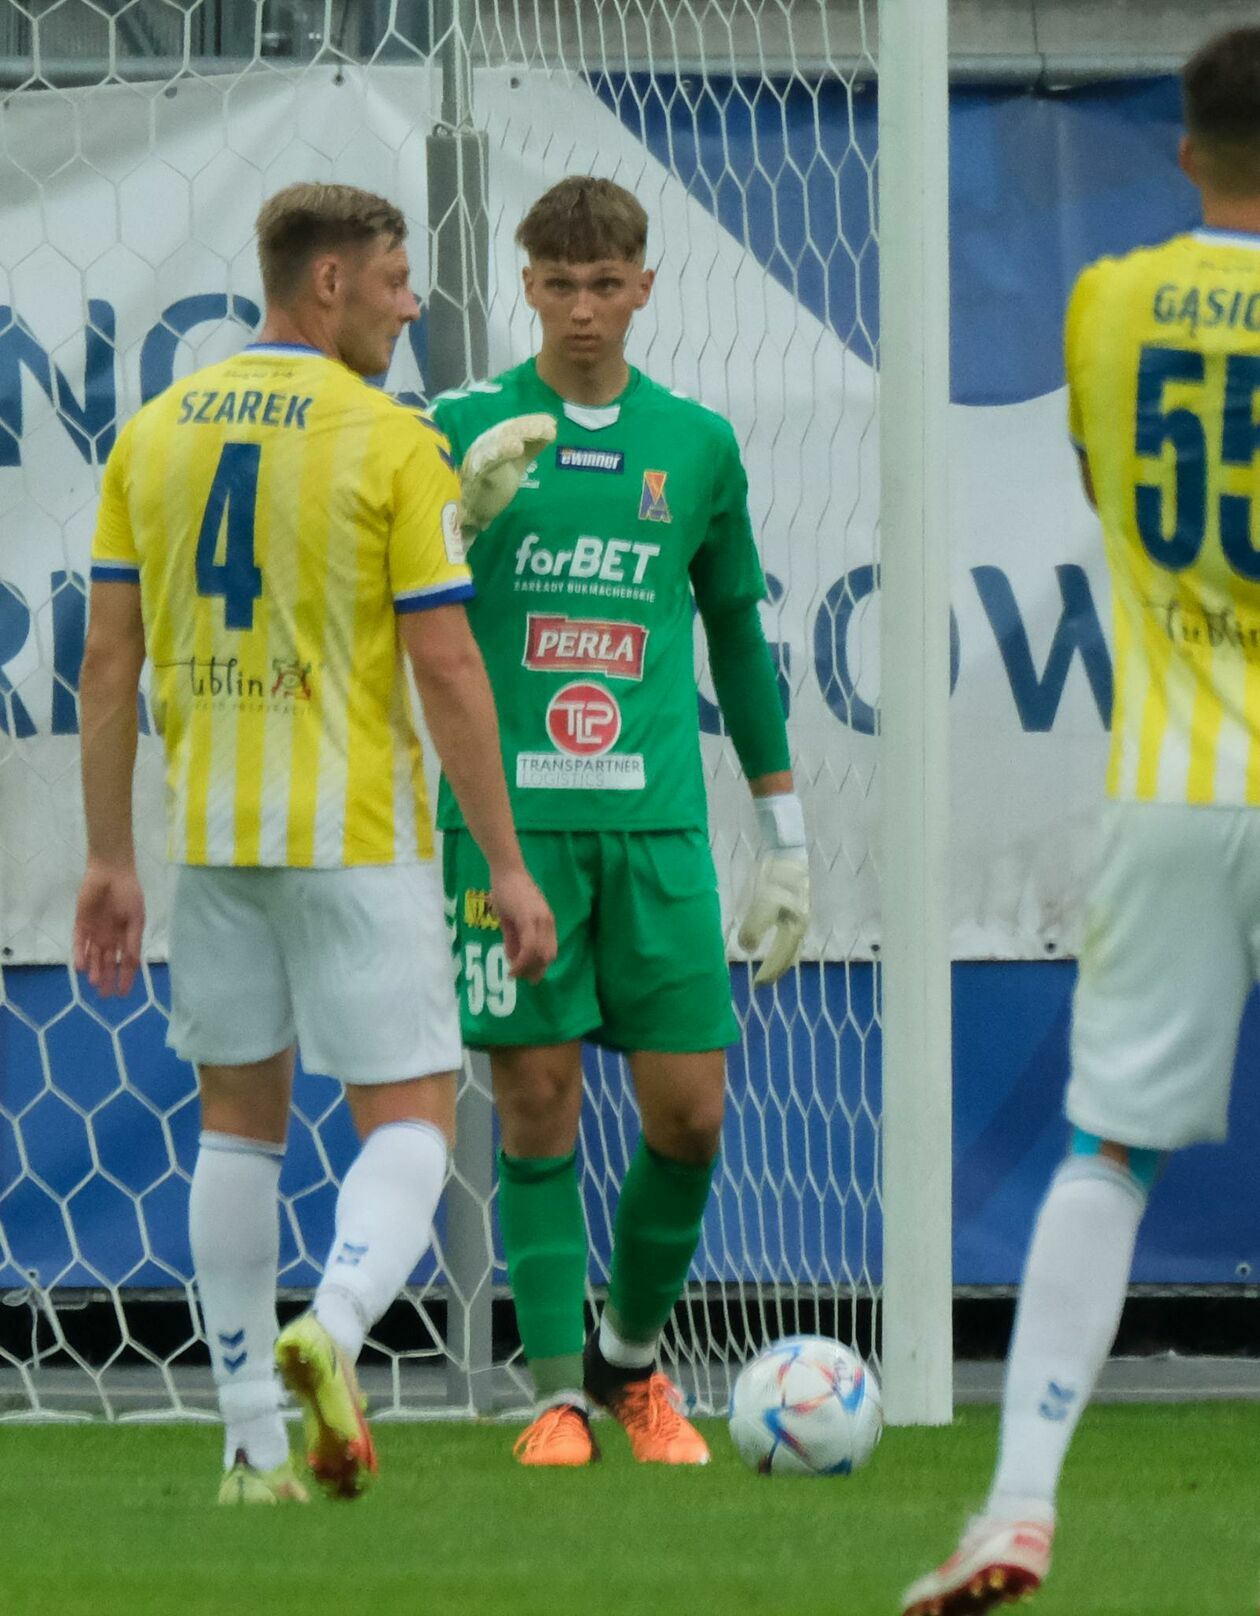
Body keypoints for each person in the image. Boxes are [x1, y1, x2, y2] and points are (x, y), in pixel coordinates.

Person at [73, 181, 555, 1505]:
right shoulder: (390, 439)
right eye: (397, 278)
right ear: (329, 283)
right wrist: (506, 863)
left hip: (215, 839)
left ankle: (246, 1447)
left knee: (238, 1129)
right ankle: (331, 1331)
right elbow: (448, 664)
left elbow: (107, 662)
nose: (412, 303)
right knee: (410, 1116)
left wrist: (110, 857)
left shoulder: (155, 433)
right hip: (354, 834)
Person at [903, 26, 1260, 1613]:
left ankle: (1018, 1507)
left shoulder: (1107, 304)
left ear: (1183, 151)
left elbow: (1112, 494)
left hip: (1179, 789)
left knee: (1105, 1154)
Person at [432, 176, 810, 1467]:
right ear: (523, 285)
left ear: (646, 287)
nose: (583, 309)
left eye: (607, 285)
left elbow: (739, 642)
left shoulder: (695, 444)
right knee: (535, 1103)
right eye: (559, 283)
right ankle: (553, 1396)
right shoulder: (464, 428)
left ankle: (633, 1364)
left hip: (656, 833)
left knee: (691, 1115)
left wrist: (788, 832)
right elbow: (400, 609)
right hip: (512, 830)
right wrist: (456, 522)